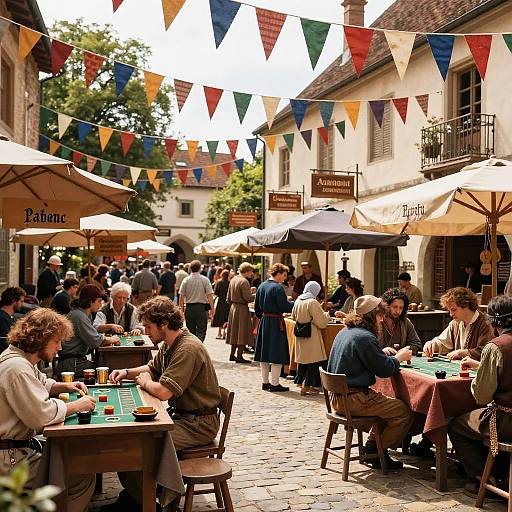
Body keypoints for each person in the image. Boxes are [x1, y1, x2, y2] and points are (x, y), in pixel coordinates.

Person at [106, 297, 221, 511]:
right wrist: (128, 372)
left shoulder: (187, 348)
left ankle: (154, 503)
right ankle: (140, 497)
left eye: (149, 326)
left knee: (138, 448)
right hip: (184, 417)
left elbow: (164, 392)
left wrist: (146, 383)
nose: (147, 332)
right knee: (132, 442)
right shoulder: (171, 344)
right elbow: (152, 367)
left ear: (165, 324)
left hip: (199, 424)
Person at [0, 308, 96, 511]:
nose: (60, 347)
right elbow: (41, 417)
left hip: (16, 449)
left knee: (69, 454)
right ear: (40, 339)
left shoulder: (20, 358)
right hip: (10, 461)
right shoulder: (17, 368)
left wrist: (64, 386)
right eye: (56, 341)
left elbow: (40, 382)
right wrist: (78, 405)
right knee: (81, 471)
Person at [327, 295, 414, 469]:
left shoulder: (345, 331)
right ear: (371, 316)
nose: (382, 319)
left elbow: (363, 357)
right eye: (380, 315)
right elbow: (385, 370)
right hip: (354, 399)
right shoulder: (365, 337)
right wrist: (399, 357)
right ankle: (375, 450)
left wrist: (380, 352)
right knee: (404, 412)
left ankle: (373, 448)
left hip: (337, 398)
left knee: (387, 409)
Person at [448, 295, 512, 497]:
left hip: (506, 421)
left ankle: (485, 478)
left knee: (457, 424)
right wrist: (482, 366)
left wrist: (482, 374)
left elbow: (482, 396)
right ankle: (500, 470)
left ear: (493, 322)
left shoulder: (496, 346)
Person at [56, 285, 119, 378]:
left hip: (75, 362)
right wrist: (112, 339)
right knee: (108, 370)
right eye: (98, 301)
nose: (101, 304)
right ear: (90, 301)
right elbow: (95, 341)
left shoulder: (83, 314)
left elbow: (93, 333)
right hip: (71, 365)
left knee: (105, 367)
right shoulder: (79, 316)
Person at [423, 287, 493, 360]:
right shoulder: (455, 324)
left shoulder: (486, 324)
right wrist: (433, 344)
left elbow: (486, 352)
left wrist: (462, 353)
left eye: (454, 310)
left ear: (466, 305)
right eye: (449, 310)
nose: (451, 314)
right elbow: (443, 343)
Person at [254, 263, 294, 392]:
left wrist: (263, 317)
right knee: (277, 352)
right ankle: (275, 384)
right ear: (279, 273)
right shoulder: (277, 288)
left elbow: (257, 309)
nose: (284, 278)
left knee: (264, 353)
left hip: (264, 321)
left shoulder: (261, 286)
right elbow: (285, 307)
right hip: (276, 322)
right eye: (284, 275)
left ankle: (265, 382)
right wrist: (294, 303)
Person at [291, 281, 330, 395]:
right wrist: (326, 314)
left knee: (303, 360)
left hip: (300, 333)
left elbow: (293, 316)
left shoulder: (298, 300)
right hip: (311, 334)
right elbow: (322, 322)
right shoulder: (312, 302)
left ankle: (301, 382)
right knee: (314, 360)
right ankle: (310, 385)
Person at [179, 260, 215, 342]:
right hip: (201, 308)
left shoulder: (186, 280)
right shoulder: (205, 280)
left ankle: (194, 348)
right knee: (202, 331)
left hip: (189, 308)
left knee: (191, 332)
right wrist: (212, 309)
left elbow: (181, 297)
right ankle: (199, 346)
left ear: (190, 268)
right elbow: (210, 295)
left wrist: (181, 310)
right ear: (200, 269)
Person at [226, 263, 255, 364]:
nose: (252, 273)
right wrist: (255, 295)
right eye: (251, 271)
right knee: (242, 332)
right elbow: (248, 298)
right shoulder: (244, 281)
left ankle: (232, 354)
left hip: (233, 308)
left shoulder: (233, 280)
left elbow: (228, 298)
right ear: (247, 271)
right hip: (241, 308)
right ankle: (239, 357)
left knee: (234, 332)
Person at [380, 288, 422, 354]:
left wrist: (407, 349)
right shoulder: (377, 322)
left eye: (401, 308)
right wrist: (382, 351)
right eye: (395, 307)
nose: (398, 311)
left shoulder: (406, 323)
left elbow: (417, 344)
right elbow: (368, 348)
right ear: (386, 306)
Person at [0, 287, 25, 351]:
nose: (22, 305)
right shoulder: (2, 319)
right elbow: (4, 346)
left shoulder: (9, 317)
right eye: (21, 301)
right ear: (13, 301)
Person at [211, 269, 230, 340]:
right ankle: (225, 332)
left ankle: (219, 333)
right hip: (227, 302)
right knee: (226, 317)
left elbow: (216, 293)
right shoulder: (230, 282)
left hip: (220, 302)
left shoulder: (219, 282)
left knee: (220, 317)